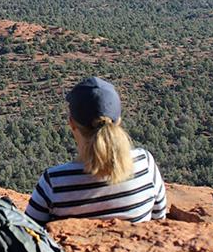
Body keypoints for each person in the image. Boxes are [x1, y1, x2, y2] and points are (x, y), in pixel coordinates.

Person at [25, 77, 167, 224]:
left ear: (71, 123)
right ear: (119, 121)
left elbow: (28, 235)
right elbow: (159, 221)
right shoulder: (145, 163)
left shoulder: (54, 182)